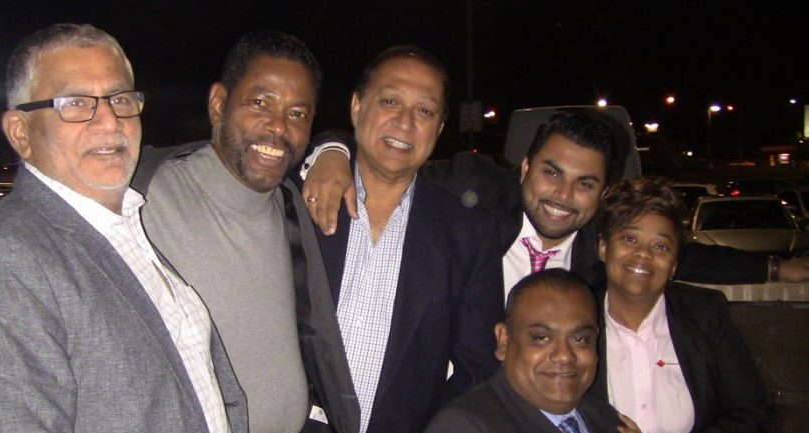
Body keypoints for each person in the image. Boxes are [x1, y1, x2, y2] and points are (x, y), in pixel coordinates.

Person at [0, 24, 250, 433]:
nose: (108, 123)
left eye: (120, 99)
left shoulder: (122, 227)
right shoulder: (6, 256)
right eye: (75, 104)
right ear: (20, 133)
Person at [134, 32, 357, 433]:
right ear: (219, 103)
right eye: (261, 102)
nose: (278, 127)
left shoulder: (293, 205)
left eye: (297, 113)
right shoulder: (147, 195)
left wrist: (334, 147)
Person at [298, 45, 503, 433]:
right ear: (356, 107)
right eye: (390, 101)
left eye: (424, 110)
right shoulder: (299, 199)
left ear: (439, 128)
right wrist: (329, 147)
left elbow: (478, 371)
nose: (405, 122)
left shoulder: (467, 232)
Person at [300, 111, 809, 291]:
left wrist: (779, 271)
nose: (563, 197)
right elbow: (392, 159)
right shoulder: (474, 186)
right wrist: (331, 150)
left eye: (585, 184)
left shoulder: (599, 245)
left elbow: (679, 255)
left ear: (604, 192)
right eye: (551, 173)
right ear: (525, 168)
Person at [403, 269, 666, 433]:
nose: (564, 355)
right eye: (541, 338)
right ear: (504, 341)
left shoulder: (604, 418)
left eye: (580, 340)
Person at [592, 177, 773, 433]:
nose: (643, 254)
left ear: (674, 263)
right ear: (603, 246)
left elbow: (753, 418)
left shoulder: (704, 316)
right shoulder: (578, 320)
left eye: (661, 246)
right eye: (629, 239)